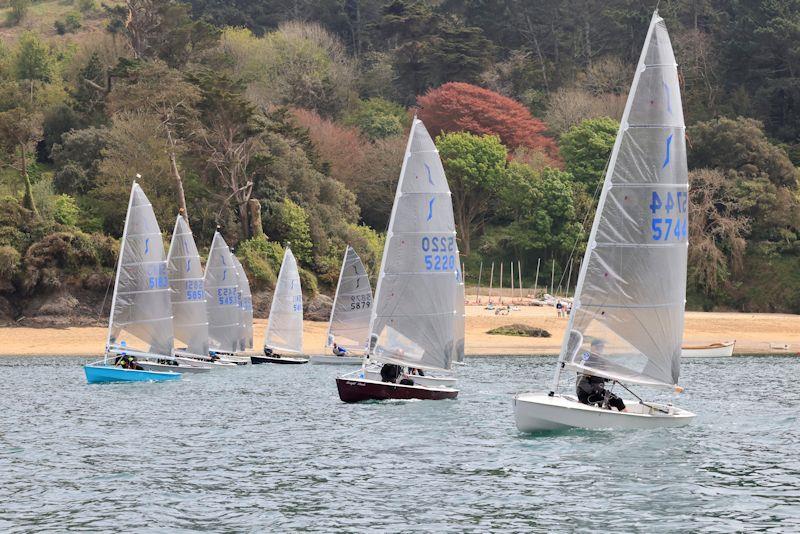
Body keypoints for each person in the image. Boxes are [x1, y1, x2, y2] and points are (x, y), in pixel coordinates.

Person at [575, 339, 626, 412]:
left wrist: (610, 378)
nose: (601, 349)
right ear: (592, 347)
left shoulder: (600, 360)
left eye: (602, 347)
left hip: (599, 391)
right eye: (598, 347)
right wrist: (594, 392)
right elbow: (581, 382)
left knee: (618, 401)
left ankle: (628, 420)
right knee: (606, 403)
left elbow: (601, 376)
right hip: (586, 394)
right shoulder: (586, 359)